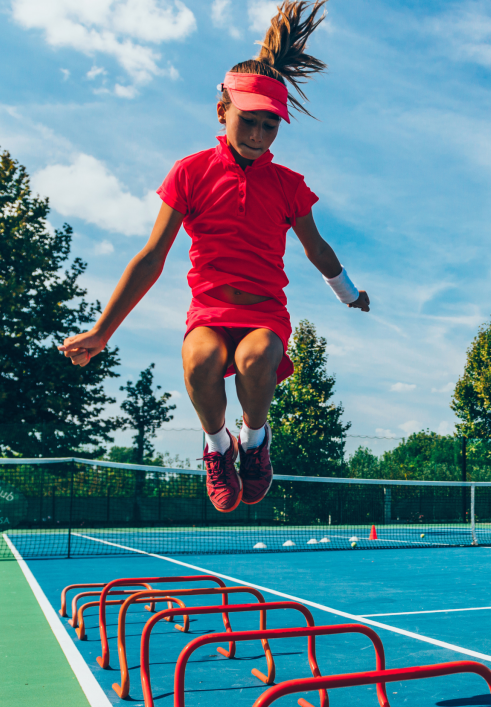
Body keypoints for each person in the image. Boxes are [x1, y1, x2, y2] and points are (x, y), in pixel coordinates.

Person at [59, 0, 368, 513]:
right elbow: (152, 257)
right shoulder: (189, 172)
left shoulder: (289, 186)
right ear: (222, 109)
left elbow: (317, 248)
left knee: (255, 358)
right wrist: (102, 333)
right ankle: (218, 448)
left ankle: (254, 443)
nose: (258, 136)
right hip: (209, 310)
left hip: (265, 312)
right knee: (201, 360)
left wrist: (349, 294)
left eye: (271, 127)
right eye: (249, 121)